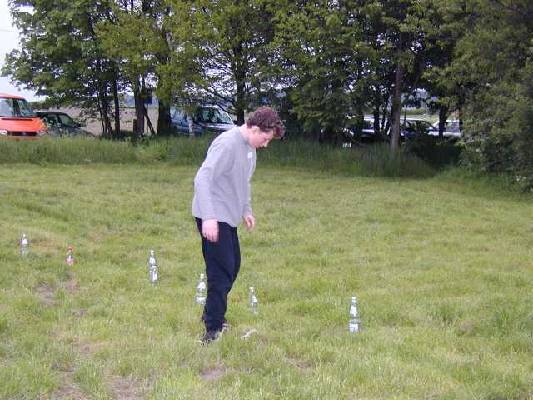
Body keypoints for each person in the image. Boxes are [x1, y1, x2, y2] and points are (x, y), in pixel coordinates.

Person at [192, 106, 285, 344]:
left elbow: (244, 182)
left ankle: (211, 313)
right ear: (255, 128)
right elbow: (202, 178)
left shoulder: (250, 149)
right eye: (265, 139)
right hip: (213, 214)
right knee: (221, 272)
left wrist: (246, 210)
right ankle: (213, 329)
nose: (265, 145)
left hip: (229, 216)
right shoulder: (227, 144)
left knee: (232, 268)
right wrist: (209, 217)